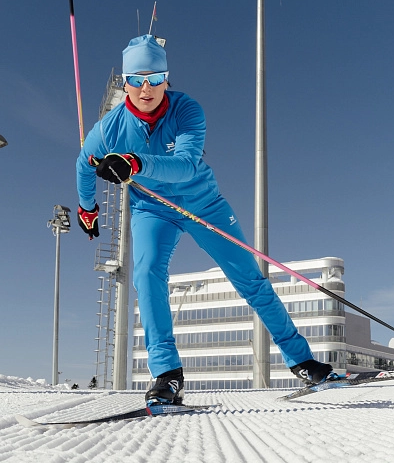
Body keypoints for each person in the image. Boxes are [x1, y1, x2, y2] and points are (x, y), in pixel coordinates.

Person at [76, 35, 332, 406]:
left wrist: (134, 162)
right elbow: (83, 164)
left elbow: (185, 166)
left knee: (249, 278)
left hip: (202, 202)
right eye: (135, 79)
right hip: (153, 209)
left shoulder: (187, 110)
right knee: (146, 274)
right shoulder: (108, 128)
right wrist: (87, 209)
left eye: (154, 77)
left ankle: (303, 361)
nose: (145, 88)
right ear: (126, 82)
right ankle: (167, 374)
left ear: (167, 77)